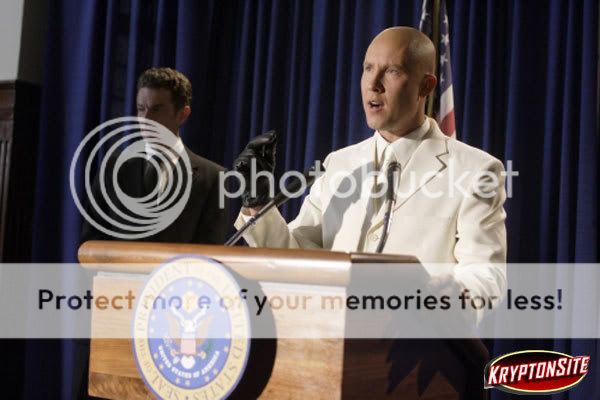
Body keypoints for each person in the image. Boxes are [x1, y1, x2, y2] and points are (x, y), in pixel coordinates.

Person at [233, 27, 507, 309]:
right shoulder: (338, 164)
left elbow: (486, 278)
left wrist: (445, 295)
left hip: (418, 330)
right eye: (368, 68)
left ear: (426, 86)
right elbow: (296, 258)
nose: (373, 84)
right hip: (329, 330)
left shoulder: (476, 171)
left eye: (392, 71)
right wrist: (259, 204)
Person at [80, 67, 228, 245]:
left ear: (183, 114)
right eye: (141, 109)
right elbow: (91, 243)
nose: (146, 119)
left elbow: (210, 251)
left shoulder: (213, 178)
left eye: (157, 110)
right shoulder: (112, 169)